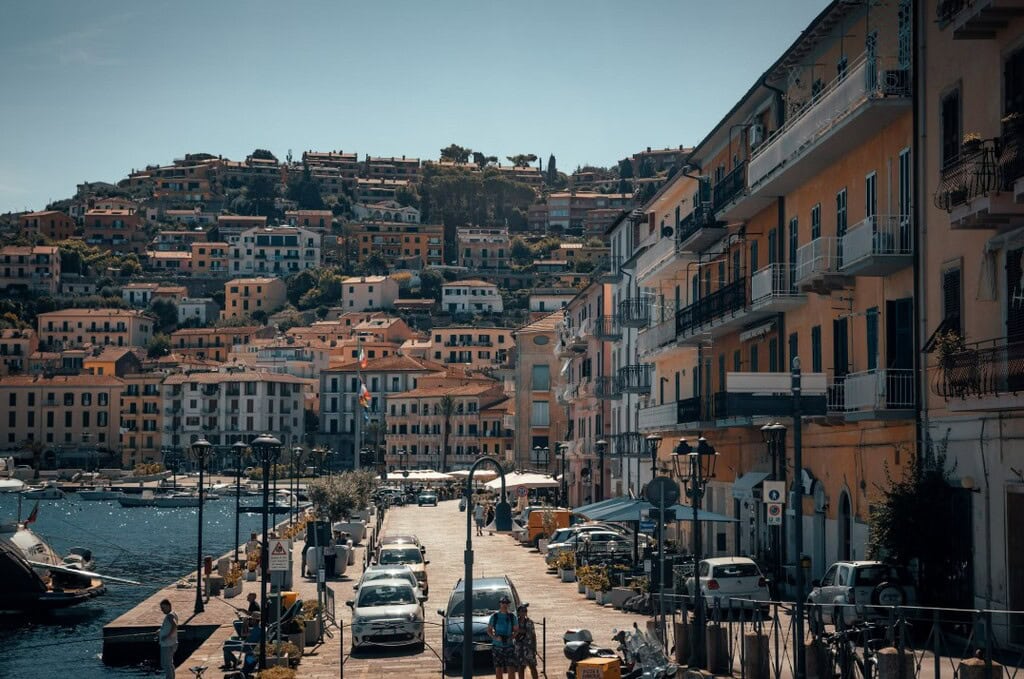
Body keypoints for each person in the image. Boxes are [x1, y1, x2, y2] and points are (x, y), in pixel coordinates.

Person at [487, 595, 518, 679]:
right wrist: (495, 637)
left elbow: (516, 630)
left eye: (507, 603)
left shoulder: (512, 617)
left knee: (511, 669)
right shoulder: (495, 616)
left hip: (509, 646)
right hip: (497, 646)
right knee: (498, 669)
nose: (505, 605)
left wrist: (511, 637)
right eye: (503, 603)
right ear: (500, 604)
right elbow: (489, 630)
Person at [514, 603, 538, 679]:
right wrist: (520, 631)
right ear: (518, 612)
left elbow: (533, 635)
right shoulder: (515, 622)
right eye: (521, 611)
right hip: (519, 647)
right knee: (521, 668)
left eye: (524, 611)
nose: (523, 613)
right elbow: (513, 632)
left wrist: (535, 647)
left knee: (533, 667)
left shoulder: (530, 622)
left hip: (529, 647)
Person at [157, 599, 178, 679]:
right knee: (169, 663)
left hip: (167, 644)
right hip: (172, 643)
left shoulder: (169, 615)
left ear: (168, 606)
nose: (162, 610)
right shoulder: (173, 613)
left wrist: (167, 636)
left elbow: (174, 625)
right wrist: (161, 631)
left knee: (165, 664)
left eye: (163, 608)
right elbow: (169, 627)